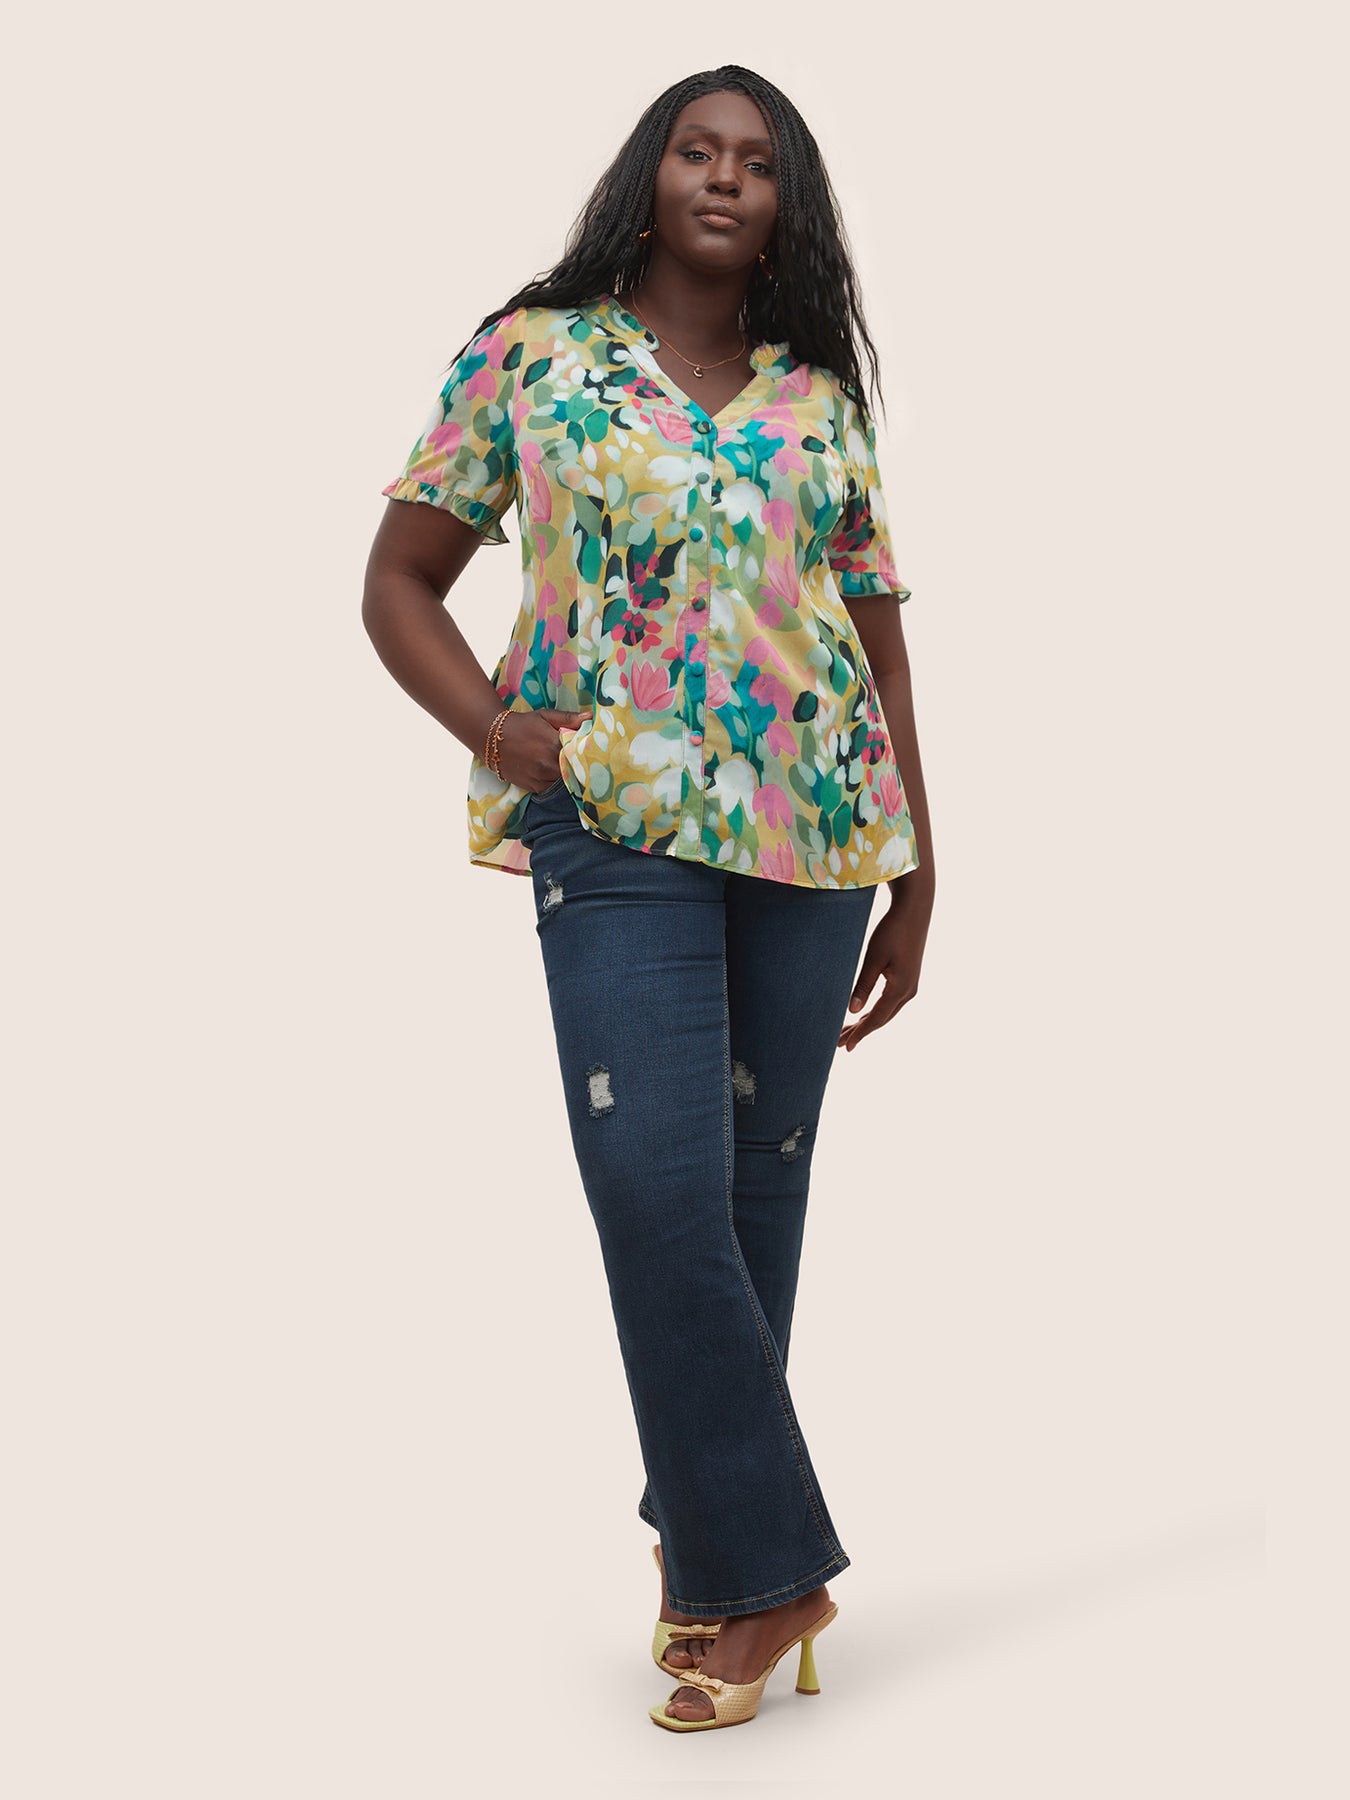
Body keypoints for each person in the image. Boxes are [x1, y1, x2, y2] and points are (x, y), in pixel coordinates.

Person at [362, 65, 935, 1733]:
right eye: (697, 149)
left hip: (818, 831)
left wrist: (921, 866)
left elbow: (878, 639)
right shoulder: (531, 356)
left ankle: (712, 1573)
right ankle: (774, 1574)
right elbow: (396, 581)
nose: (723, 178)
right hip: (607, 816)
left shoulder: (817, 396)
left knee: (749, 1207)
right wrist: (497, 730)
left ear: (785, 205)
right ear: (649, 171)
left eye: (757, 163)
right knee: (652, 1186)